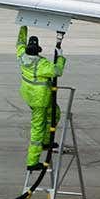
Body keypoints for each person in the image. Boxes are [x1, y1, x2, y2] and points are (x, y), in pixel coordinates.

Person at [16, 25, 66, 171]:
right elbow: (57, 71)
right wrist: (61, 56)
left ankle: (46, 141)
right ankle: (32, 161)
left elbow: (19, 43)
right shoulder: (41, 64)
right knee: (38, 127)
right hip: (40, 99)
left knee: (54, 113)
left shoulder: (21, 57)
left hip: (30, 95)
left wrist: (24, 26)